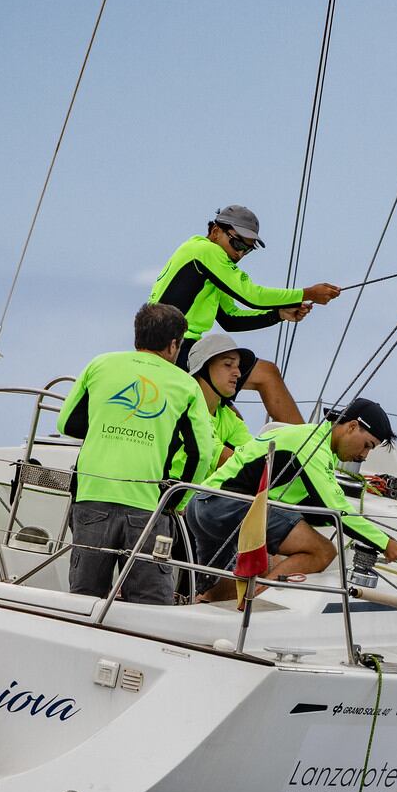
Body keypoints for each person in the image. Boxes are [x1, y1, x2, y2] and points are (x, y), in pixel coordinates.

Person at [56, 303, 218, 605]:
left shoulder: (100, 365)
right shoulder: (185, 384)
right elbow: (202, 454)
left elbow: (66, 423)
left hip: (92, 497)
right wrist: (173, 502)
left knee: (83, 602)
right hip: (148, 508)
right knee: (149, 606)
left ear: (137, 337)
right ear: (174, 345)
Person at [186, 396, 397, 602]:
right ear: (352, 427)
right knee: (322, 551)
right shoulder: (313, 446)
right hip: (226, 505)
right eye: (367, 445)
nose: (364, 456)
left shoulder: (305, 436)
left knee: (218, 592)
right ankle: (253, 602)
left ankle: (202, 612)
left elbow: (311, 508)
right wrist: (384, 542)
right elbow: (337, 509)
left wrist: (369, 533)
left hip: (202, 504)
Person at [148, 204, 340, 424]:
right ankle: (304, 447)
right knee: (266, 375)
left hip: (183, 348)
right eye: (237, 243)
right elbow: (251, 295)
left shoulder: (211, 268)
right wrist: (307, 293)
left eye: (247, 250)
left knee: (234, 418)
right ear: (215, 231)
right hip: (172, 349)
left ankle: (293, 450)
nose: (239, 254)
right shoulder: (204, 251)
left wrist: (278, 315)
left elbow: (230, 319)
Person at [185, 331, 257, 469]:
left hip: (200, 490)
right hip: (168, 488)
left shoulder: (230, 419)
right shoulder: (185, 407)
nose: (238, 373)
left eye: (238, 366)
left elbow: (255, 454)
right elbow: (219, 456)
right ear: (203, 368)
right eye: (228, 364)